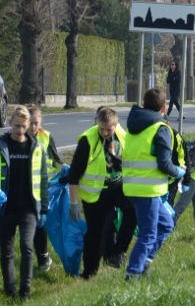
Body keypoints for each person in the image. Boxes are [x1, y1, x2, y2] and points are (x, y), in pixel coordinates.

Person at [0, 106, 48, 299]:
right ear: (10, 123)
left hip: (29, 209)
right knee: (6, 252)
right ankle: (10, 290)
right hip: (6, 209)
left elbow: (43, 179)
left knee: (26, 247)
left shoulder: (36, 148)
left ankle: (25, 291)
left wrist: (44, 208)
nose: (19, 130)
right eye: (16, 126)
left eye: (23, 126)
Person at [67, 107, 136, 279]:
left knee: (133, 211)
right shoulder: (87, 141)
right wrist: (74, 203)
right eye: (102, 129)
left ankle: (117, 252)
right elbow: (74, 174)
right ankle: (89, 272)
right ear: (97, 123)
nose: (105, 133)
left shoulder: (121, 134)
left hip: (118, 186)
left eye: (109, 130)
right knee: (95, 234)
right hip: (96, 194)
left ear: (116, 125)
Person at [123, 88, 182, 280]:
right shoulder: (160, 128)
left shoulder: (134, 126)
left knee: (166, 224)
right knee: (148, 234)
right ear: (164, 108)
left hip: (134, 186)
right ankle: (133, 273)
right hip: (147, 189)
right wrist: (180, 171)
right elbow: (164, 164)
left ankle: (145, 262)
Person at [26, 104, 64, 272]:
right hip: (24, 189)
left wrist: (65, 172)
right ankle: (37, 255)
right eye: (31, 123)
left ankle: (43, 257)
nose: (34, 127)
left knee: (39, 224)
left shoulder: (46, 137)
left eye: (37, 123)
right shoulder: (17, 138)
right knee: (30, 225)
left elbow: (57, 161)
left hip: (44, 188)